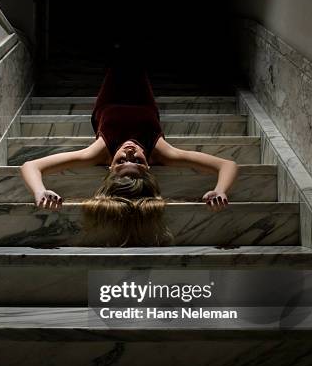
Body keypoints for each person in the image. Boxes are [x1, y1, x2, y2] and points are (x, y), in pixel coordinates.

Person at [20, 46, 239, 246]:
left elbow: (30, 165)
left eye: (122, 160)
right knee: (135, 58)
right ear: (149, 165)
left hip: (108, 101)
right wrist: (220, 190)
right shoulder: (162, 151)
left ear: (109, 165)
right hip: (143, 101)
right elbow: (227, 164)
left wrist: (40, 191)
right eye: (137, 161)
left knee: (117, 59)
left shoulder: (98, 152)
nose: (129, 153)